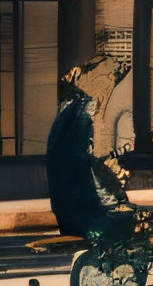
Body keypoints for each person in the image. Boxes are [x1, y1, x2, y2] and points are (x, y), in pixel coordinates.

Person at [46, 76, 131, 244]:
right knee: (125, 221)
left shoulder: (71, 112)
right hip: (84, 216)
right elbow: (87, 160)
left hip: (68, 212)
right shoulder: (84, 114)